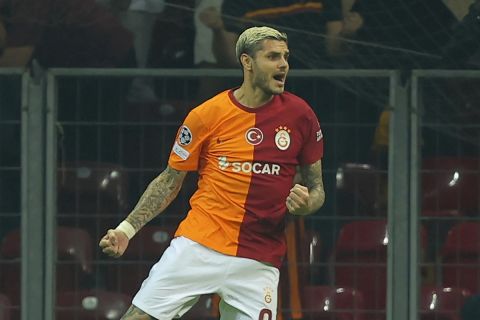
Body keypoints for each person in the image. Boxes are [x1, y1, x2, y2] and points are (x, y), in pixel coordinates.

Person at [99, 26, 325, 319]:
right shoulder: (207, 114)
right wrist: (126, 230)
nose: (283, 64)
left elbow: (317, 188)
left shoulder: (301, 116)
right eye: (272, 56)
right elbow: (170, 180)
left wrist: (308, 204)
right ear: (247, 62)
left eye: (285, 57)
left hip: (259, 258)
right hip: (199, 244)